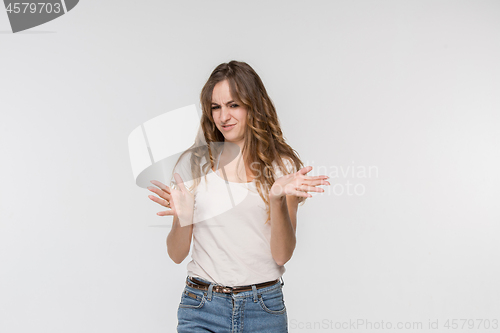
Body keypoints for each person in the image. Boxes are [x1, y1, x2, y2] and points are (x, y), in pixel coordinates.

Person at [147, 60, 330, 332]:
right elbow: (176, 254)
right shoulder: (194, 164)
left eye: (234, 105)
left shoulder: (282, 167)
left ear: (253, 106)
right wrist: (182, 219)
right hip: (202, 306)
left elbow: (281, 255)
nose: (224, 117)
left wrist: (277, 198)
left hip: (263, 309)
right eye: (216, 107)